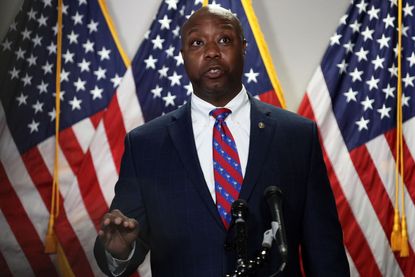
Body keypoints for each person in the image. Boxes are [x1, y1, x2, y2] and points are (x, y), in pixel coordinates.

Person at [94, 6, 350, 277]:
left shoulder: (297, 136)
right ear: (183, 56)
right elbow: (124, 241)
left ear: (244, 47)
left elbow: (325, 252)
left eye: (225, 40)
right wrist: (119, 252)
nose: (212, 51)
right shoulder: (145, 145)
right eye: (197, 43)